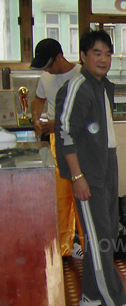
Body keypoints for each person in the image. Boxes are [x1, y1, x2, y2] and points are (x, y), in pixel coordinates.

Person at [56, 30, 126, 306]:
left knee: (105, 234)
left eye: (107, 54)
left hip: (106, 166)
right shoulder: (78, 86)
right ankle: (115, 304)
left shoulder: (101, 86)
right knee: (101, 238)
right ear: (83, 56)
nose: (103, 59)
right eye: (96, 53)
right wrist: (77, 176)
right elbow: (65, 134)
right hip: (88, 174)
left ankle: (91, 293)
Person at [30, 38, 84, 260]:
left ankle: (89, 246)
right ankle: (64, 247)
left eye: (48, 65)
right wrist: (36, 118)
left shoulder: (81, 75)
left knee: (82, 194)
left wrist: (58, 124)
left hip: (80, 142)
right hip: (56, 142)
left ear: (60, 57)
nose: (47, 70)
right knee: (61, 197)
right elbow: (38, 100)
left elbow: (86, 116)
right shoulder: (46, 77)